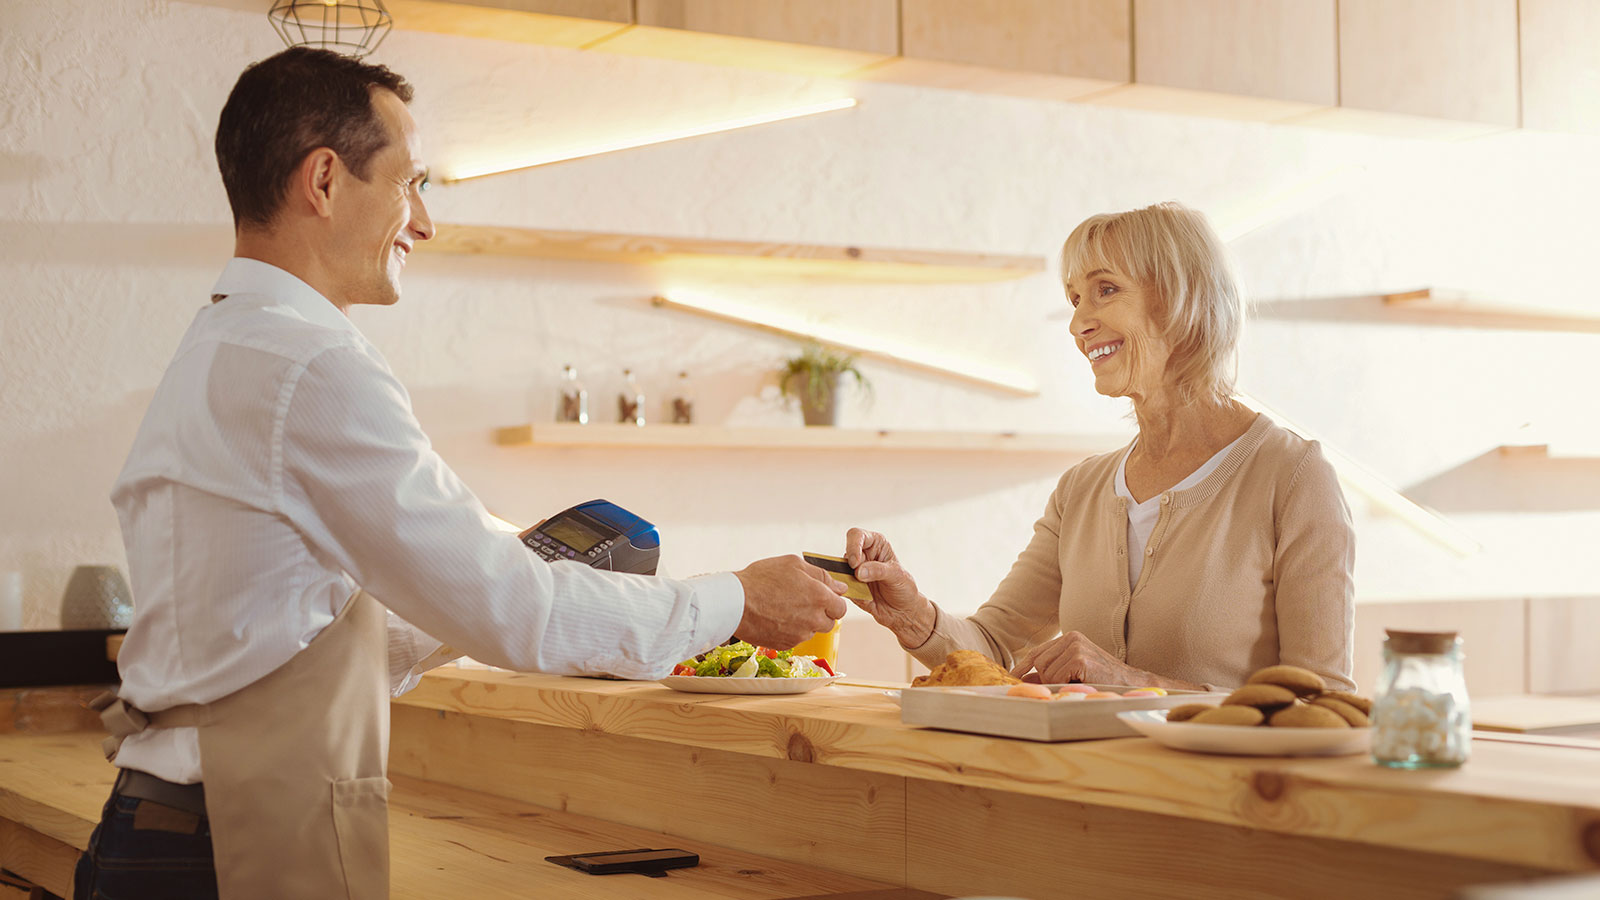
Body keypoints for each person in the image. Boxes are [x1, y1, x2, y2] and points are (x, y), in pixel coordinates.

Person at [74, 47, 846, 900]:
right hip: (230, 845)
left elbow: (292, 632)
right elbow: (521, 615)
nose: (425, 222)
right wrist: (733, 599)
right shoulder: (314, 366)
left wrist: (478, 583)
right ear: (324, 181)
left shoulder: (223, 342)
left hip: (161, 826)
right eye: (411, 183)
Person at [845, 202, 1355, 693]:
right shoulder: (1081, 490)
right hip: (1079, 783)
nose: (1077, 325)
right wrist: (910, 614)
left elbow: (1324, 703)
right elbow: (994, 647)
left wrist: (1137, 683)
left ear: (1182, 300)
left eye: (1105, 290)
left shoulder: (1291, 475)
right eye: (1074, 300)